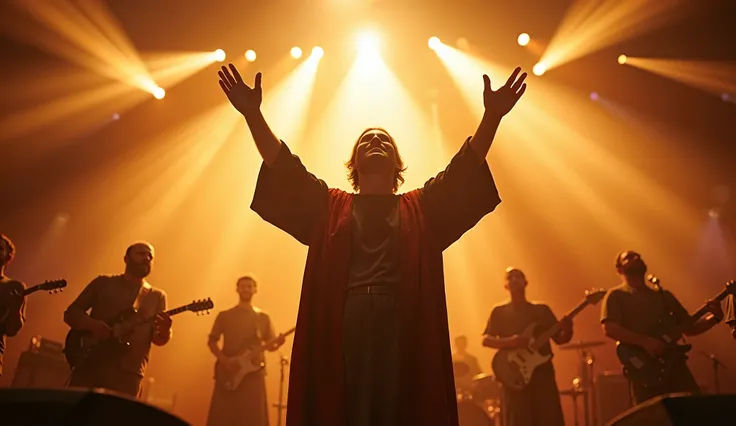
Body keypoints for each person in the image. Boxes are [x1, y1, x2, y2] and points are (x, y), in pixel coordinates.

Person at [217, 61, 526, 426]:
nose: (375, 142)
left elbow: (463, 171)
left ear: (397, 163)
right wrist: (253, 115)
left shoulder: (422, 207)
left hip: (403, 323)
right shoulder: (329, 206)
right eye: (367, 139)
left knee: (398, 408)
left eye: (384, 140)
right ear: (355, 162)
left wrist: (491, 117)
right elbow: (284, 167)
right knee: (349, 409)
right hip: (345, 323)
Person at [600, 250, 723, 404]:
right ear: (619, 269)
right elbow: (610, 329)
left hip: (674, 366)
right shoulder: (615, 296)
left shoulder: (664, 296)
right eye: (629, 258)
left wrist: (716, 317)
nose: (636, 258)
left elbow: (690, 327)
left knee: (693, 410)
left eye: (638, 256)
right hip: (644, 372)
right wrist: (645, 342)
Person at [63, 242, 172, 397]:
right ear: (126, 259)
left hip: (128, 375)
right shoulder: (103, 283)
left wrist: (166, 330)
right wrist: (94, 326)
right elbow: (71, 314)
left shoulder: (157, 296)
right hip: (91, 364)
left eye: (150, 256)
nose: (147, 258)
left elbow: (158, 340)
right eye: (141, 254)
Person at [481, 267, 571, 426]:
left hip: (542, 373)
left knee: (548, 418)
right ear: (505, 285)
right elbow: (486, 340)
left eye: (518, 276)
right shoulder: (499, 311)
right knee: (518, 419)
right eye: (510, 277)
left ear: (526, 282)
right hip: (514, 375)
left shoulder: (542, 310)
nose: (514, 279)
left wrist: (569, 328)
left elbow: (561, 339)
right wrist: (511, 342)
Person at [206, 274, 286, 426]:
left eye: (250, 286)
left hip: (254, 376)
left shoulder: (263, 318)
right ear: (237, 289)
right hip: (228, 375)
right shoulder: (225, 316)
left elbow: (271, 346)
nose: (246, 289)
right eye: (243, 286)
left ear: (255, 290)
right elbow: (212, 341)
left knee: (254, 420)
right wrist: (226, 361)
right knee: (222, 418)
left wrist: (279, 343)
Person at [0, 234, 26, 377]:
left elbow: (11, 330)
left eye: (0, 248)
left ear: (8, 256)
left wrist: (16, 309)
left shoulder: (14, 287)